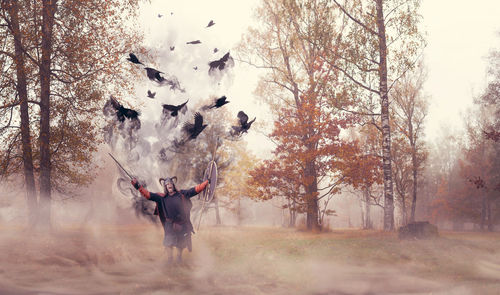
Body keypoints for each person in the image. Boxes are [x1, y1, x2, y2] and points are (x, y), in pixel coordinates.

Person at [131, 176, 208, 265]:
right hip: (169, 225)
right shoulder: (161, 197)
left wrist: (205, 183)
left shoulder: (182, 194)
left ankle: (179, 258)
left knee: (181, 243)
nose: (169, 185)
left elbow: (195, 190)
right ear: (165, 187)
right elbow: (148, 195)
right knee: (168, 243)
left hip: (182, 224)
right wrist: (138, 186)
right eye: (167, 184)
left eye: (170, 184)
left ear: (173, 185)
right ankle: (169, 259)